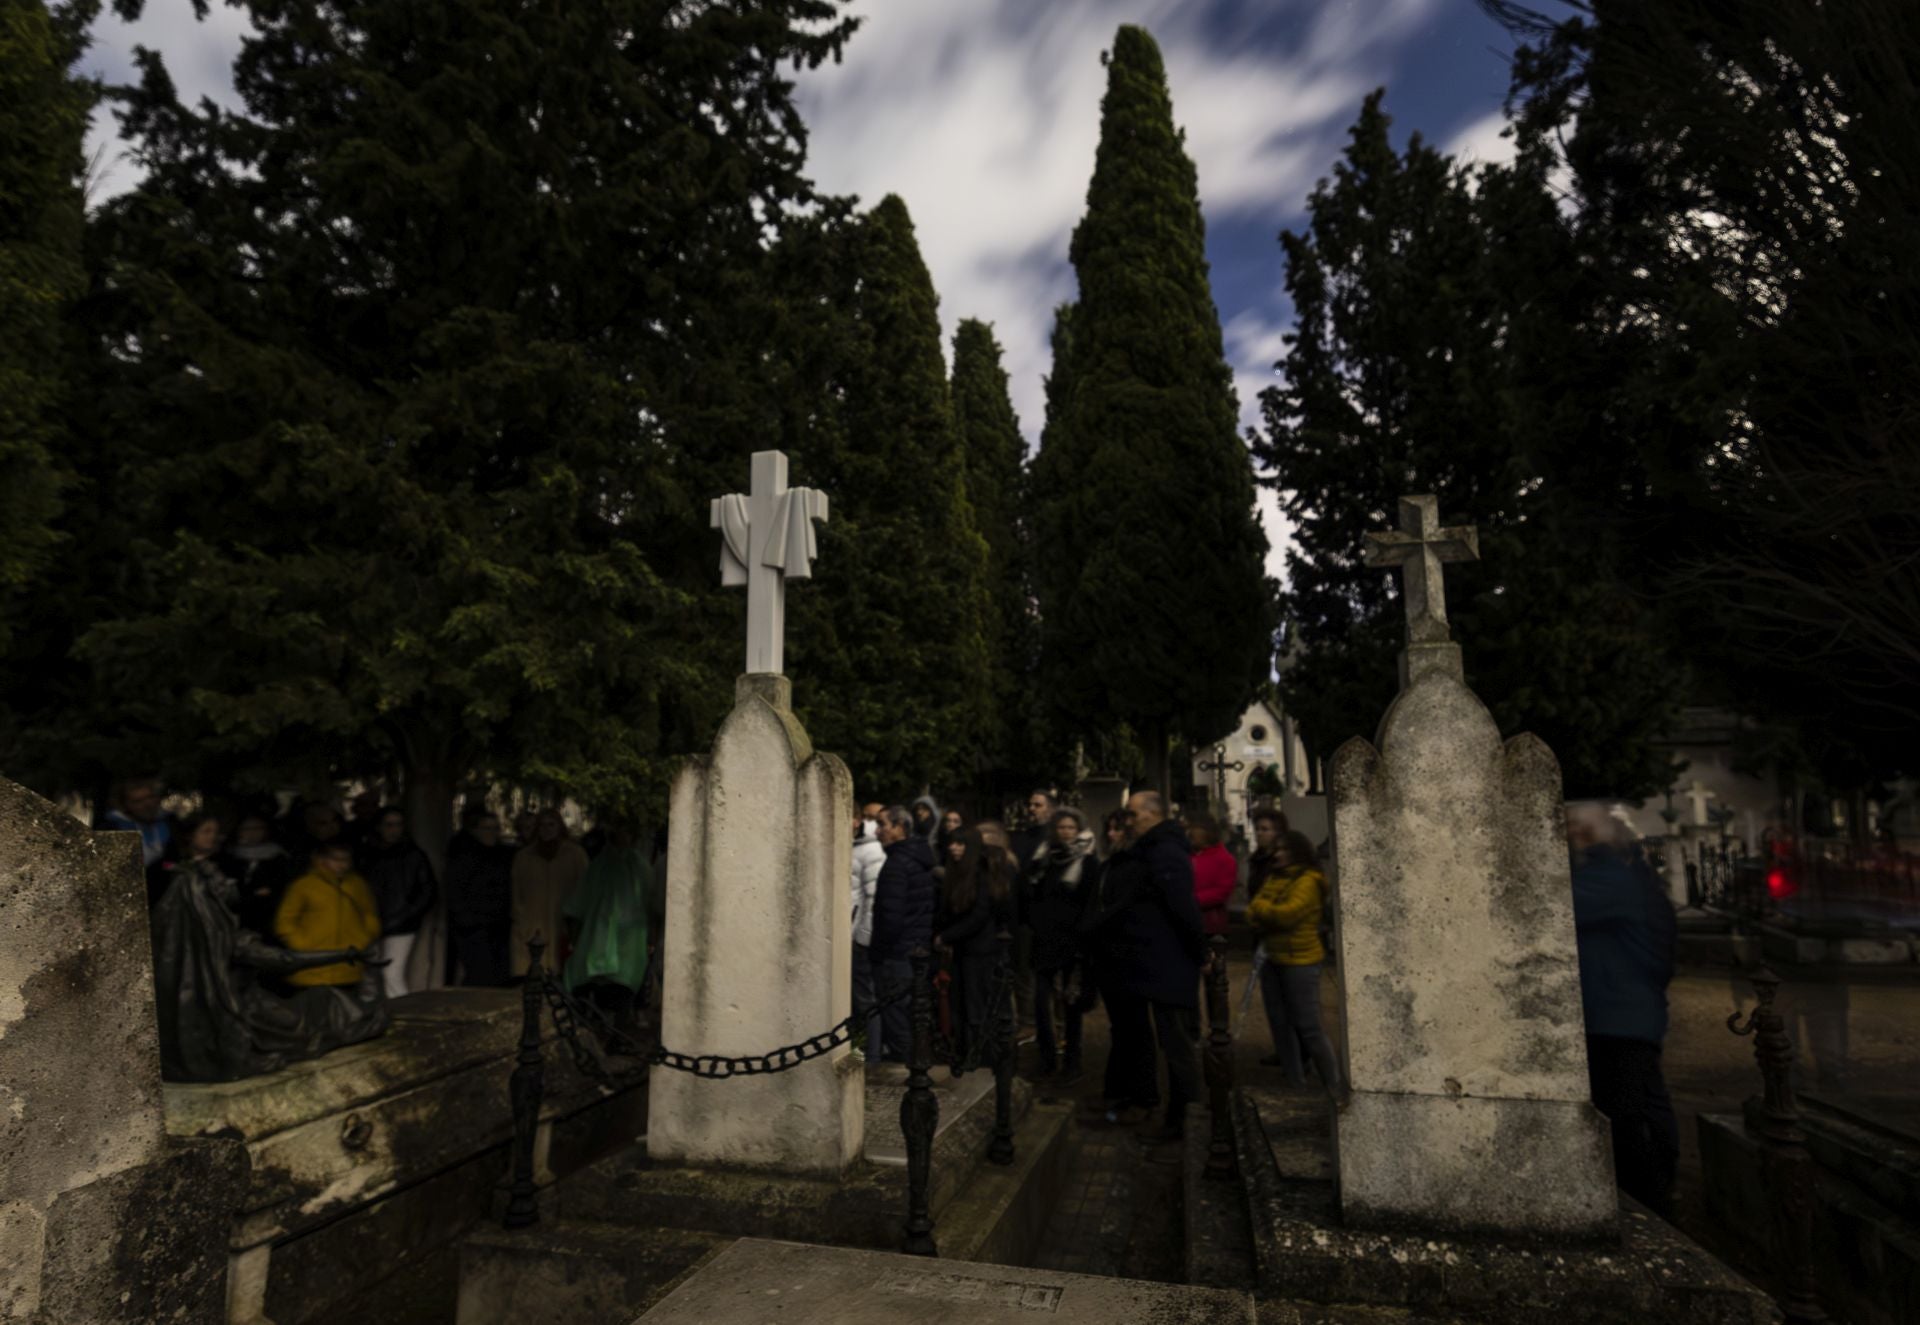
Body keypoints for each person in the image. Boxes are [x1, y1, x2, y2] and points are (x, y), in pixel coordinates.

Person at [152, 823, 388, 1082]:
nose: (228, 884)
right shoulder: (231, 941)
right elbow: (287, 960)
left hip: (247, 1013)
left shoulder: (180, 939)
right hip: (252, 1016)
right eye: (220, 884)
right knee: (328, 1006)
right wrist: (346, 954)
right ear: (205, 899)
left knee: (321, 1005)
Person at [1567, 802, 1679, 1216]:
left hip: (1617, 1016)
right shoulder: (1624, 875)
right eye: (1571, 826)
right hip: (1624, 1012)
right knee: (1640, 1106)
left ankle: (1648, 1204)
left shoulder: (1610, 876)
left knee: (1625, 1118)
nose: (1573, 834)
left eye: (1581, 827)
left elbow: (1560, 906)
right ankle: (1656, 1195)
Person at [1083, 790, 1205, 1148]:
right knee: (1155, 1039)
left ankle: (1185, 1122)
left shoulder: (1165, 851)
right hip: (1148, 962)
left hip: (1167, 964)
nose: (1129, 821)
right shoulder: (1148, 850)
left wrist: (1199, 954)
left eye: (1134, 814)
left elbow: (1183, 908)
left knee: (1178, 1047)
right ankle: (1165, 1113)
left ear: (1153, 814)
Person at [1247, 830, 1341, 1093]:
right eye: (1276, 849)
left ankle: (1332, 1085)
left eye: (1283, 849)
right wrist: (1266, 913)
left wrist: (1265, 913)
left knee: (1307, 1025)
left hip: (1300, 960)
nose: (1277, 854)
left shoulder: (1309, 881)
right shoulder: (1276, 878)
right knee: (1280, 1023)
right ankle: (1294, 1082)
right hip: (1273, 957)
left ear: (1297, 852)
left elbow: (1287, 915)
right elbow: (1253, 911)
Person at [563, 821, 656, 1037]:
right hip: (598, 935)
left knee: (623, 987)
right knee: (596, 985)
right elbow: (582, 899)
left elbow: (650, 901)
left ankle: (618, 1033)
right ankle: (598, 1030)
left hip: (629, 939)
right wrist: (575, 934)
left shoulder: (639, 866)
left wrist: (650, 935)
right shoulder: (600, 865)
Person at [937, 823, 1018, 1067]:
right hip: (967, 949)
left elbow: (979, 915)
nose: (954, 848)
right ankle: (971, 1056)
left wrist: (947, 936)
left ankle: (983, 1060)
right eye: (951, 842)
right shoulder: (963, 874)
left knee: (978, 1009)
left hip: (980, 952)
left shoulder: (981, 874)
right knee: (965, 1007)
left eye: (960, 843)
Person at [1027, 807, 1098, 1082]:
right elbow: (1034, 892)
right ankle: (1046, 1057)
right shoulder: (1045, 858)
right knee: (1041, 1002)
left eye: (1071, 828)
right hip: (1045, 938)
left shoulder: (1088, 861)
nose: (1066, 833)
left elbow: (1089, 900)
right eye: (1062, 828)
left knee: (1071, 1005)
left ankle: (1072, 1061)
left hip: (1072, 941)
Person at [869, 805, 937, 1061]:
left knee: (898, 1023)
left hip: (897, 955)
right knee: (910, 1020)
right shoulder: (916, 859)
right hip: (914, 949)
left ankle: (908, 1078)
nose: (877, 831)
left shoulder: (897, 865)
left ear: (899, 828)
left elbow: (891, 917)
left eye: (883, 824)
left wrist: (878, 953)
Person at [275, 841, 383, 991]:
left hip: (347, 962)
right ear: (322, 859)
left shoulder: (358, 885)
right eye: (336, 859)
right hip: (312, 963)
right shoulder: (304, 885)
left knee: (346, 1009)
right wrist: (301, 944)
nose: (341, 865)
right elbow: (285, 920)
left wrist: (363, 939)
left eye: (345, 859)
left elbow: (370, 914)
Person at [359, 807, 439, 999]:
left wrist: (406, 914)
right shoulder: (366, 854)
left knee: (391, 974)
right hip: (370, 921)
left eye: (398, 825)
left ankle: (401, 1018)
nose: (394, 830)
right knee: (368, 976)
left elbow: (427, 891)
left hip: (402, 924)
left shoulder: (413, 855)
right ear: (379, 827)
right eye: (389, 825)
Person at [511, 809, 591, 977]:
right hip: (532, 928)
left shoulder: (575, 855)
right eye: (542, 825)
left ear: (559, 827)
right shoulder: (524, 857)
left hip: (564, 927)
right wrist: (521, 921)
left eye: (551, 824)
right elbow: (516, 893)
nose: (546, 829)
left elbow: (585, 889)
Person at [446, 808, 516, 985]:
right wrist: (467, 921)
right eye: (486, 828)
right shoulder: (464, 856)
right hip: (474, 928)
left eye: (494, 828)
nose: (491, 833)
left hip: (498, 927)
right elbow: (455, 891)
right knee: (479, 975)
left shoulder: (504, 856)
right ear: (476, 831)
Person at [225, 813, 295, 940]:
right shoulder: (228, 857)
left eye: (257, 828)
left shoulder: (278, 857)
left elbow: (280, 885)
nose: (252, 833)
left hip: (267, 919)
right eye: (247, 829)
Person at [850, 808, 886, 1054]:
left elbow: (873, 899)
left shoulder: (871, 850)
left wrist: (862, 939)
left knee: (866, 1001)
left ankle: (873, 1056)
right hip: (849, 935)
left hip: (859, 939)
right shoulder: (852, 845)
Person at [105, 778, 173, 872]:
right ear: (125, 806)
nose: (148, 804)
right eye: (138, 801)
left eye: (150, 797)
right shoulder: (113, 829)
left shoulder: (170, 822)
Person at [1186, 812, 1237, 937]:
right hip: (1185, 919)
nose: (1188, 834)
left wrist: (1193, 900)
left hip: (1210, 924)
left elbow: (1221, 891)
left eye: (1193, 830)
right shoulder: (1186, 856)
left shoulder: (1225, 859)